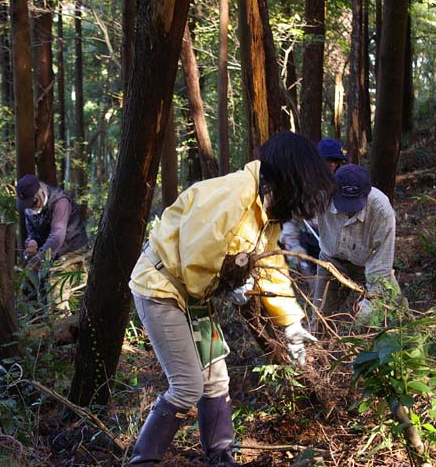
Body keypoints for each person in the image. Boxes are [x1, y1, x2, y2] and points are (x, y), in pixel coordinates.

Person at [128, 132, 336, 466]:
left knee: (215, 381)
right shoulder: (232, 194)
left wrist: (292, 323)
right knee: (186, 387)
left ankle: (220, 456)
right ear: (289, 177)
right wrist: (232, 280)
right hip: (161, 288)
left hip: (194, 296)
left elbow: (271, 267)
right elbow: (197, 255)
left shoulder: (265, 211)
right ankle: (142, 461)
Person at [314, 164, 401, 326]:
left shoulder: (381, 210)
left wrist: (371, 301)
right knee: (320, 319)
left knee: (395, 313)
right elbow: (296, 211)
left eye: (354, 204)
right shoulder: (321, 196)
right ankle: (317, 348)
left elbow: (381, 264)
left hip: (368, 264)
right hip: (331, 262)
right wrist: (291, 239)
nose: (348, 211)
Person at [16, 174, 89, 308]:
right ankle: (35, 321)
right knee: (27, 281)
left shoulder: (60, 202)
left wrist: (38, 259)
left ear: (40, 194)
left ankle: (59, 320)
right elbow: (32, 231)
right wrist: (32, 242)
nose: (30, 207)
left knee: (55, 282)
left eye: (32, 203)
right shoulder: (29, 209)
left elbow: (57, 236)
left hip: (71, 250)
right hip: (48, 252)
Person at [280, 138, 347, 276]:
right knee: (316, 283)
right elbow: (292, 219)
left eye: (335, 161)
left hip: (337, 241)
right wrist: (293, 245)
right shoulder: (304, 185)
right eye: (328, 161)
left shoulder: (345, 182)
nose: (332, 165)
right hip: (310, 239)